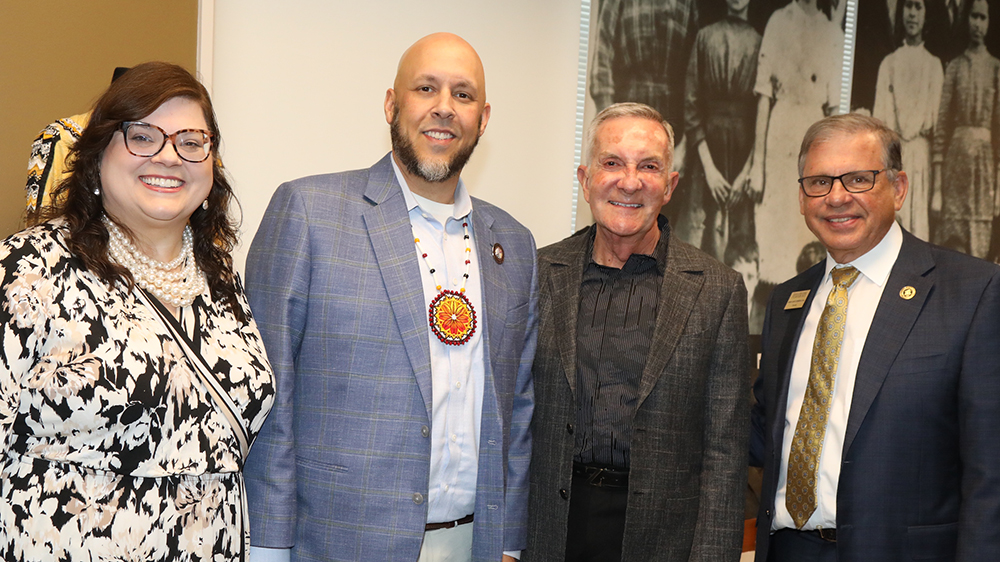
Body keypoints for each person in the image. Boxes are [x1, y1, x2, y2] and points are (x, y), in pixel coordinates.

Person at [243, 33, 537, 562]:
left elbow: (517, 409)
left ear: (484, 117)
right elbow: (267, 398)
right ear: (391, 103)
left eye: (463, 95)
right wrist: (267, 546)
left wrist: (509, 541)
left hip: (476, 543)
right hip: (338, 541)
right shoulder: (308, 212)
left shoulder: (512, 243)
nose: (444, 108)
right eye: (427, 88)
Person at [0, 61, 275, 561]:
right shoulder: (27, 268)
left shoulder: (223, 281)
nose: (170, 157)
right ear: (98, 155)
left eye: (191, 142)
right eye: (143, 136)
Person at [751, 113, 1000, 561]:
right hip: (789, 550)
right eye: (819, 182)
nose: (837, 197)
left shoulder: (972, 292)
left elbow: (991, 470)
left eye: (859, 179)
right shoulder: (787, 300)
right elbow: (764, 426)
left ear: (899, 187)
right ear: (802, 197)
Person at [524, 102, 750, 562]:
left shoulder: (717, 290)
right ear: (586, 179)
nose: (629, 181)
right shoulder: (537, 273)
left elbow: (725, 454)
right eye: (612, 163)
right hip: (547, 528)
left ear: (670, 186)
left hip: (662, 538)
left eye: (648, 166)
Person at [748, 0, 842, 289]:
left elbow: (836, 111)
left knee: (807, 234)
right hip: (780, 138)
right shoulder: (778, 21)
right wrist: (757, 166)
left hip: (814, 137)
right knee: (773, 241)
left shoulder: (831, 32)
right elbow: (764, 97)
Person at [684, 0, 761, 294]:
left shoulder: (759, 42)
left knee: (740, 238)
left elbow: (763, 114)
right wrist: (709, 169)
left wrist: (747, 172)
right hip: (709, 153)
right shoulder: (704, 37)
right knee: (704, 235)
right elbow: (691, 105)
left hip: (744, 150)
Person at [932, 0, 1000, 258]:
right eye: (973, 17)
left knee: (979, 245)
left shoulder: (996, 68)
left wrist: (998, 190)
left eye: (983, 18)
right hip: (955, 165)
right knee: (951, 242)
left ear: (989, 21)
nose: (977, 24)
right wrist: (937, 189)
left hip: (984, 171)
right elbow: (941, 127)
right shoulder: (955, 67)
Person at [873, 0, 944, 240]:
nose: (912, 14)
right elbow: (879, 124)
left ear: (926, 15)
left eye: (918, 7)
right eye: (908, 6)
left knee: (916, 228)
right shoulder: (889, 63)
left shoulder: (933, 66)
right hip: (892, 157)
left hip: (920, 159)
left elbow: (934, 124)